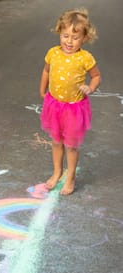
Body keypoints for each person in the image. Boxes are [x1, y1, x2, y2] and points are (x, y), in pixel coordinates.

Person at [39, 8, 101, 195]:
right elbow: (46, 71)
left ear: (84, 38)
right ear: (60, 33)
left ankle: (71, 175)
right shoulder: (53, 53)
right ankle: (57, 171)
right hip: (54, 104)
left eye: (75, 37)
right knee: (56, 141)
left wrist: (90, 87)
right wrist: (42, 89)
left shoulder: (85, 58)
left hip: (74, 108)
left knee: (71, 145)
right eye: (65, 36)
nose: (69, 41)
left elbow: (96, 76)